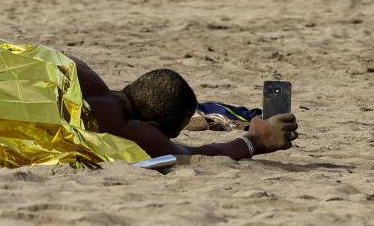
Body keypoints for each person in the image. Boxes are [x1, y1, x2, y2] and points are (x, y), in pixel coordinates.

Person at [73, 60, 299, 160]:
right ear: (152, 128)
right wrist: (258, 140)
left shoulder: (81, 69)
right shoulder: (118, 123)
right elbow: (190, 155)